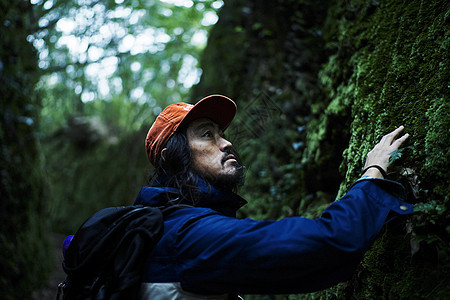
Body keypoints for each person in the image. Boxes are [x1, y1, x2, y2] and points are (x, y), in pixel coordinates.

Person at [135, 94, 413, 299]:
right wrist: (373, 173)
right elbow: (327, 244)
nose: (226, 142)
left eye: (222, 133)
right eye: (207, 134)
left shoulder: (169, 229)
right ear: (172, 158)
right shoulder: (185, 236)